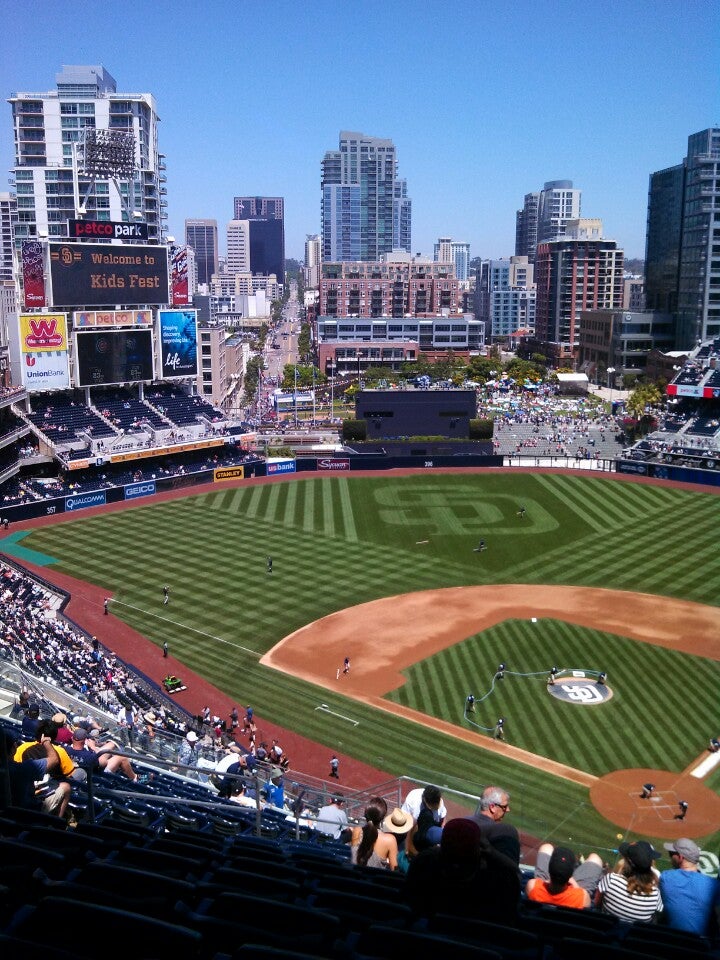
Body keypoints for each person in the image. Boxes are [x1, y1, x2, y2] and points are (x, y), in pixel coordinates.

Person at [404, 817, 521, 926]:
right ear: (478, 852)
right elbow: (515, 874)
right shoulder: (499, 884)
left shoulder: (423, 869)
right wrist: (491, 852)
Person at [660, 838, 720, 935]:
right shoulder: (714, 885)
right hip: (701, 945)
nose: (670, 857)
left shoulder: (666, 877)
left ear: (680, 857)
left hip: (672, 940)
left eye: (672, 854)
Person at [595, 840, 663, 924]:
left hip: (605, 929)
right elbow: (657, 918)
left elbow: (597, 904)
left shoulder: (611, 880)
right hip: (634, 936)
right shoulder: (655, 894)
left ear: (627, 862)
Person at [526, 843, 604, 909]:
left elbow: (539, 883)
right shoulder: (583, 898)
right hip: (572, 901)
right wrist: (573, 882)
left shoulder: (532, 887)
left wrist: (548, 880)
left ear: (548, 869)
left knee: (546, 847)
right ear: (571, 875)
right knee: (595, 858)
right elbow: (583, 893)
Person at [469, 785, 520, 865]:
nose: (508, 810)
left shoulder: (464, 821)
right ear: (492, 807)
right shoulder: (504, 830)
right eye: (504, 807)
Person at [349, 801, 398, 870]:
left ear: (366, 815)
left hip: (354, 878)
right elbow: (395, 870)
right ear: (383, 817)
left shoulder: (357, 831)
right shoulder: (390, 840)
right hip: (374, 880)